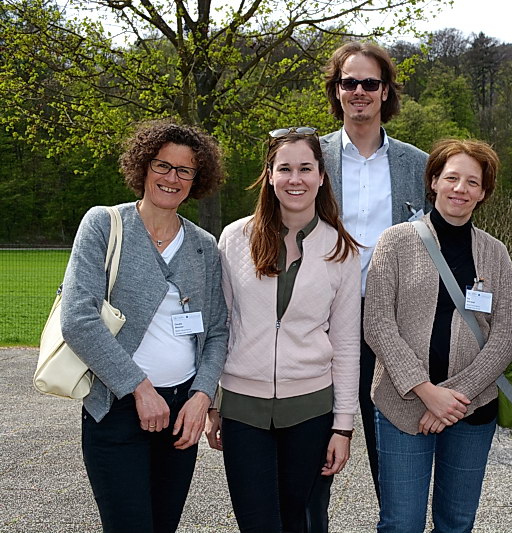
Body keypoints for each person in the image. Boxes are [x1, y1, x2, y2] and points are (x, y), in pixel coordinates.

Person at [60, 120, 229, 533]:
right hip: (117, 408)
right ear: (143, 166)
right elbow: (78, 318)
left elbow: (217, 332)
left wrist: (202, 395)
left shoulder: (204, 246)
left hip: (182, 411)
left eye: (184, 170)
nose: (172, 178)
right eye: (162, 165)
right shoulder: (104, 225)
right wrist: (139, 389)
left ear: (197, 179)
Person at [206, 128, 361, 532]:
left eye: (305, 168)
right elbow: (220, 326)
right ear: (270, 175)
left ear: (321, 176)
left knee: (299, 522)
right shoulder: (235, 238)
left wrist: (343, 426)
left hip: (310, 411)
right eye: (285, 168)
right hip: (243, 410)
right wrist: (213, 402)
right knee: (256, 523)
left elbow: (346, 344)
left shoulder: (340, 249)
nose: (296, 179)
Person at [363, 139, 512, 532]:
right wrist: (428, 393)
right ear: (433, 182)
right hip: (403, 405)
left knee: (456, 523)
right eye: (451, 178)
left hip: (473, 407)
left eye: (472, 182)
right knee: (401, 523)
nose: (460, 189)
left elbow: (505, 336)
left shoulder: (495, 253)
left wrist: (452, 398)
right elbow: (378, 323)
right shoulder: (395, 241)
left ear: (483, 193)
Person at [312, 39, 429, 526]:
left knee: (394, 460)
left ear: (385, 91)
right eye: (349, 82)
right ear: (336, 90)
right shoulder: (309, 157)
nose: (358, 91)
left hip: (391, 326)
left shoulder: (418, 164)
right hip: (319, 322)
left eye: (369, 82)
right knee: (313, 453)